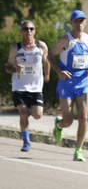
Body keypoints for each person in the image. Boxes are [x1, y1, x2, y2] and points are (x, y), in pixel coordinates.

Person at [51, 9, 88, 161]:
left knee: (83, 117)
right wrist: (58, 71)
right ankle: (59, 125)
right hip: (66, 83)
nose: (79, 23)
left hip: (83, 83)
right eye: (76, 20)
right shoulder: (66, 39)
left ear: (86, 22)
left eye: (82, 20)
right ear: (71, 23)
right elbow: (49, 54)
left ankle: (78, 150)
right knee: (68, 120)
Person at [5, 20, 50, 152]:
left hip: (36, 87)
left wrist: (47, 75)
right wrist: (15, 69)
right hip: (19, 86)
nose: (28, 31)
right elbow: (8, 67)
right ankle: (26, 141)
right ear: (21, 31)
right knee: (23, 113)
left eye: (31, 29)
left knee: (37, 115)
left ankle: (26, 115)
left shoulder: (41, 46)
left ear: (34, 31)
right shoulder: (16, 48)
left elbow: (47, 61)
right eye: (25, 29)